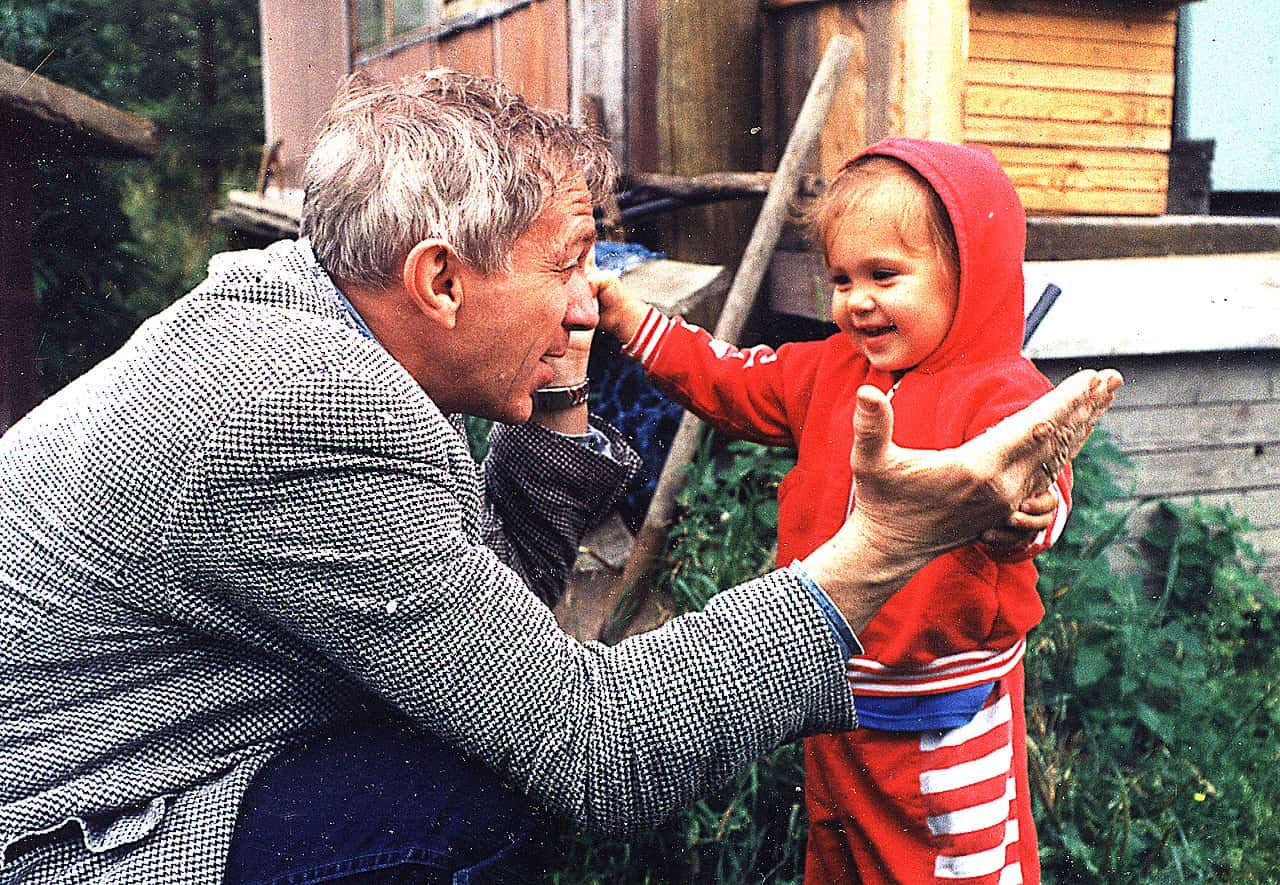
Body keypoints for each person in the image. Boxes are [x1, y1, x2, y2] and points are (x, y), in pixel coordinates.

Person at [0, 70, 1119, 885]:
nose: (595, 300)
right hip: (60, 830)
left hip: (132, 744)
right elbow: (592, 747)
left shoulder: (312, 304)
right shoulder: (307, 410)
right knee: (459, 803)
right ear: (440, 281)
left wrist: (554, 387)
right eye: (571, 264)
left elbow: (483, 623)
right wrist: (880, 548)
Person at [597, 137, 1070, 883]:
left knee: (950, 866)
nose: (856, 300)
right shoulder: (830, 369)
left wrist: (1025, 515)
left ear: (969, 275)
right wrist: (633, 322)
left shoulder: (1000, 394)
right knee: (841, 854)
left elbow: (1033, 482)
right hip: (831, 696)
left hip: (942, 712)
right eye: (841, 278)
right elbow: (728, 377)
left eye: (884, 274)